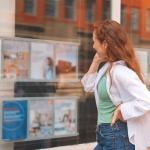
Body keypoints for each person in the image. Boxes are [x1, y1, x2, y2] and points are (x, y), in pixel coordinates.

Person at [81, 20, 150, 150]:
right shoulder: (107, 67)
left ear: (105, 44)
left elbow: (147, 100)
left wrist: (122, 110)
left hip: (115, 135)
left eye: (94, 41)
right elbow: (88, 86)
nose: (93, 46)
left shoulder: (120, 71)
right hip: (105, 134)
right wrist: (96, 61)